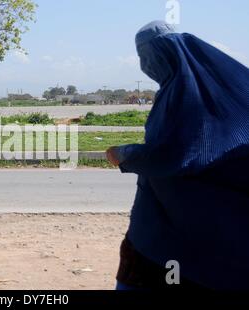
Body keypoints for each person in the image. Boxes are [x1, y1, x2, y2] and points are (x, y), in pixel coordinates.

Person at [107, 21, 249, 290]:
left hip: (167, 230)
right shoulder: (230, 85)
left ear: (159, 53)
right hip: (227, 232)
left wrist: (124, 154)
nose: (143, 64)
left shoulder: (184, 94)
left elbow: (175, 153)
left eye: (144, 55)